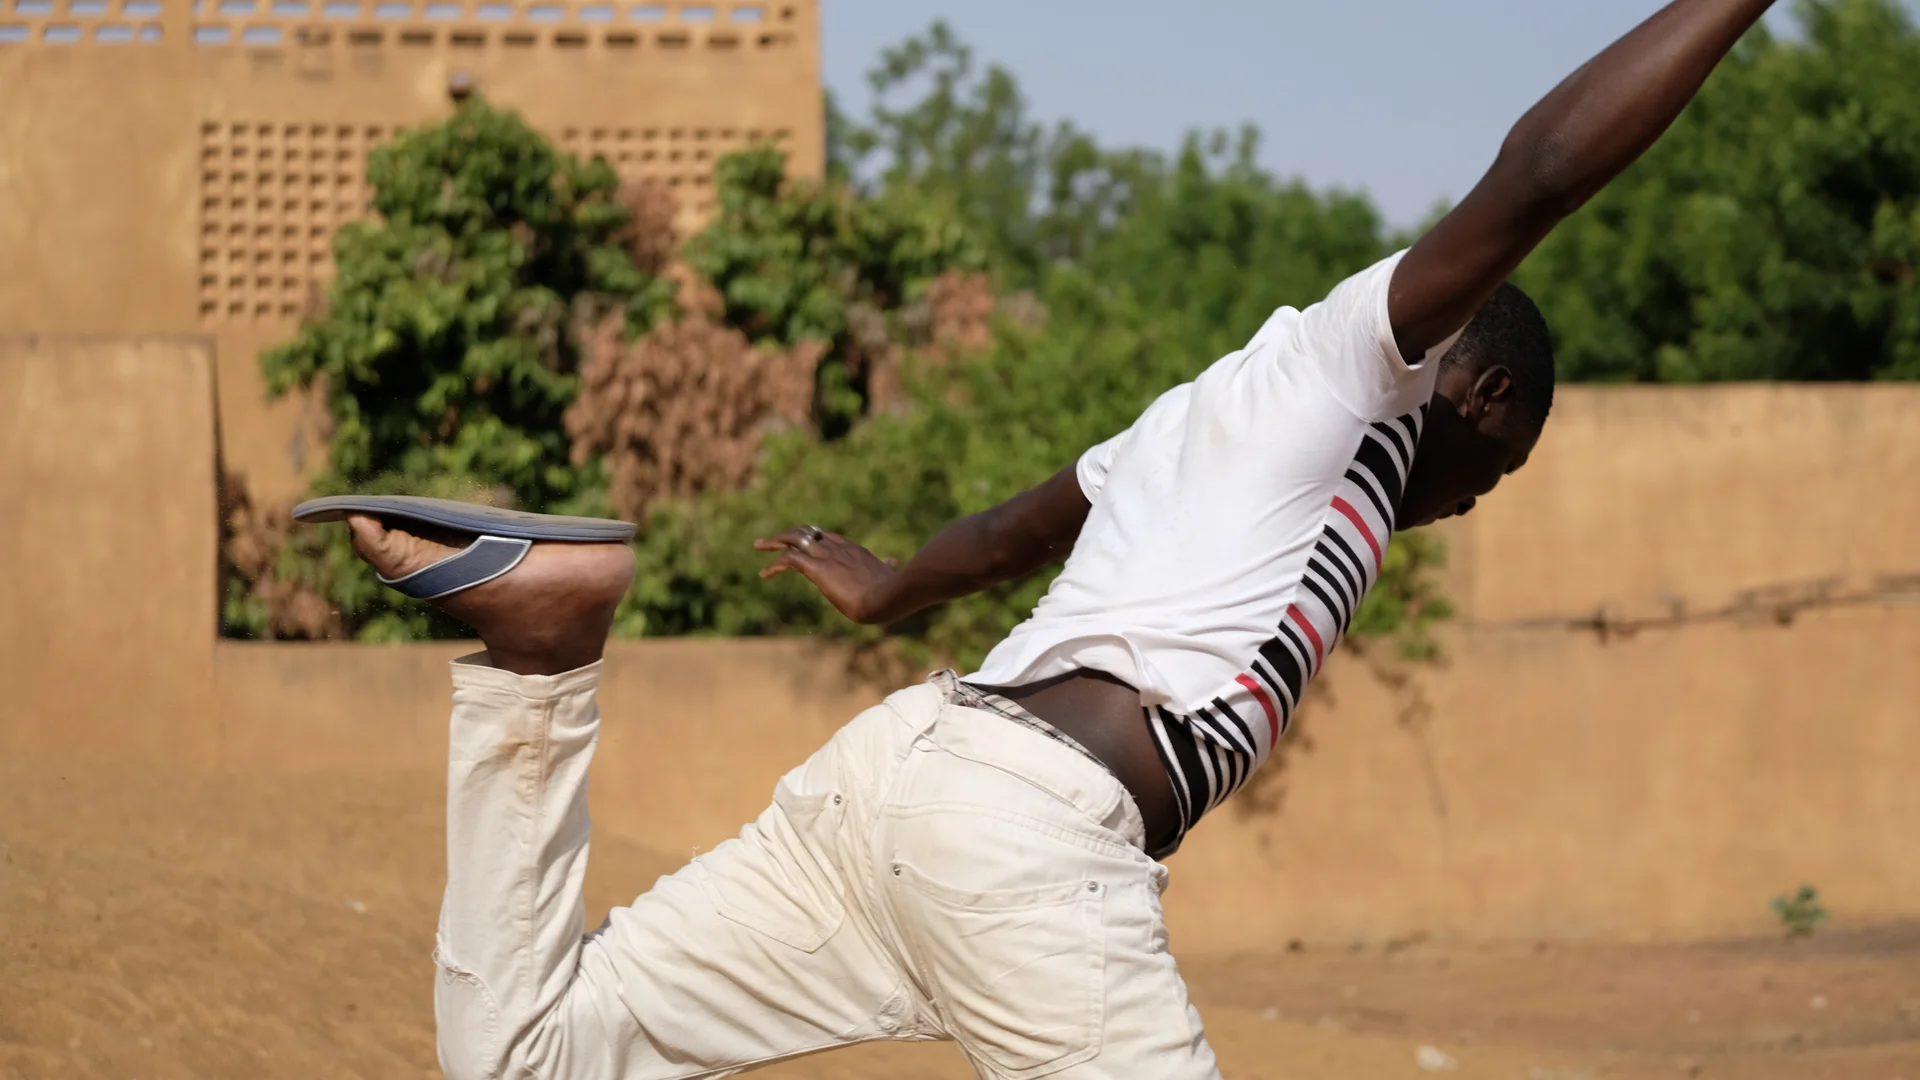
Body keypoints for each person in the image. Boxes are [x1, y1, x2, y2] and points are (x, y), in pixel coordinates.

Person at [298, 2, 1778, 1076]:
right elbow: (1537, 179)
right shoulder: (1350, 370)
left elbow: (1028, 521)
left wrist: (887, 592)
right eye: (1496, 467)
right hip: (1022, 839)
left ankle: (542, 652)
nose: (1469, 500)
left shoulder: (1219, 420)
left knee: (529, 1057)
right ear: (1488, 392)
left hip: (896, 791)